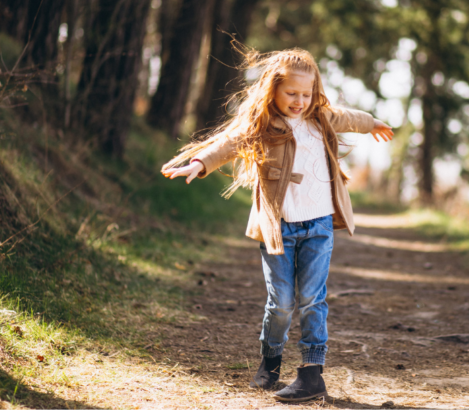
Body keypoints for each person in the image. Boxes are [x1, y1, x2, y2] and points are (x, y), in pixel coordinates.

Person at [161, 47, 393, 402]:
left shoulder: (322, 116)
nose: (300, 101)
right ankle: (271, 361)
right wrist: (199, 163)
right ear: (274, 91)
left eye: (307, 94)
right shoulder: (262, 124)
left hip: (319, 226)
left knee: (312, 299)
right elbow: (228, 142)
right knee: (282, 303)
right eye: (292, 94)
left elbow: (349, 118)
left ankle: (312, 373)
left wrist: (372, 122)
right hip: (279, 229)